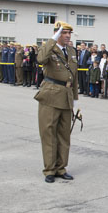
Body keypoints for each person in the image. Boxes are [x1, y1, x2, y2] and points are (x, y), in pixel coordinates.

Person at [34, 21, 78, 183]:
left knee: (64, 135)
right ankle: (49, 169)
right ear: (57, 34)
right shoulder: (49, 48)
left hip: (66, 95)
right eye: (63, 33)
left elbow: (74, 76)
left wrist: (75, 99)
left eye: (69, 33)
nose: (67, 36)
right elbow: (40, 59)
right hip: (51, 95)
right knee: (49, 133)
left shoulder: (72, 51)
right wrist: (51, 40)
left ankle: (61, 168)